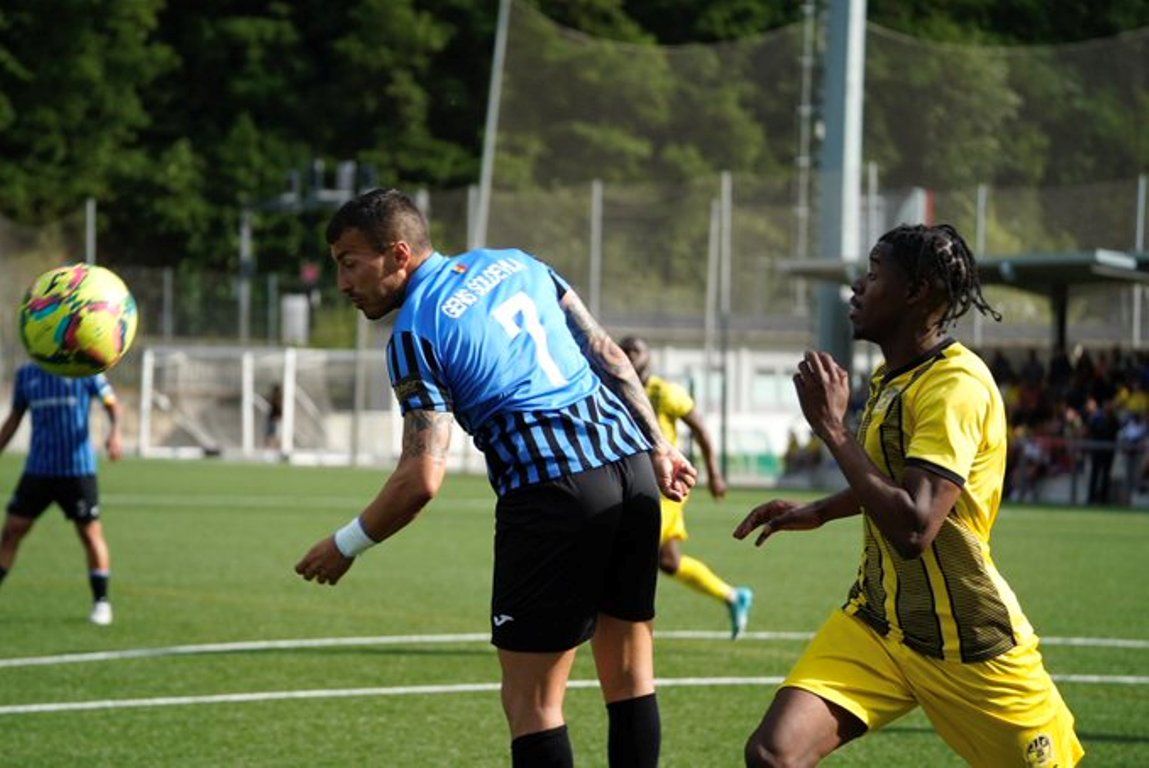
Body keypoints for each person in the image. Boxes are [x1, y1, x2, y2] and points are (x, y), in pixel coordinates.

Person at [294, 189, 696, 768]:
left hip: (553, 490)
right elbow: (609, 354)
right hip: (630, 470)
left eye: (349, 262)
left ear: (398, 254)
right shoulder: (520, 263)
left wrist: (346, 544)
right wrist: (658, 445)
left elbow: (421, 478)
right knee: (632, 672)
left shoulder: (415, 331)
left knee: (532, 700)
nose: (342, 283)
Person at [734, 224, 1083, 767]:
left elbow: (917, 526)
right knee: (773, 755)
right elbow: (895, 483)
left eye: (874, 275)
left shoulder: (956, 387)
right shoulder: (893, 377)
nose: (857, 286)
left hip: (969, 643)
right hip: (879, 621)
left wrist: (832, 429)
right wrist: (820, 511)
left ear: (917, 291)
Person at [618, 335, 753, 638]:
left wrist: (715, 474)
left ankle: (626, 628)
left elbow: (702, 430)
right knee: (668, 562)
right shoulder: (615, 391)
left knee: (633, 547)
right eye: (624, 349)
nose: (630, 354)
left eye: (636, 349)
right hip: (633, 485)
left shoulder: (664, 393)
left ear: (648, 357)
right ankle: (734, 596)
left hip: (666, 488)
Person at [0, 363, 123, 625]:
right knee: (12, 529)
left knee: (90, 534)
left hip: (77, 470)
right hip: (39, 468)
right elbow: (15, 418)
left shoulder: (86, 369)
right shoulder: (27, 375)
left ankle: (101, 602)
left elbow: (111, 403)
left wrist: (115, 433)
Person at [264, 383, 283, 450]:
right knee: (269, 436)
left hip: (276, 420)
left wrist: (279, 417)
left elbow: (279, 409)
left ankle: (277, 449)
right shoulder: (274, 399)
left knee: (275, 436)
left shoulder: (279, 399)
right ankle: (269, 449)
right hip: (272, 419)